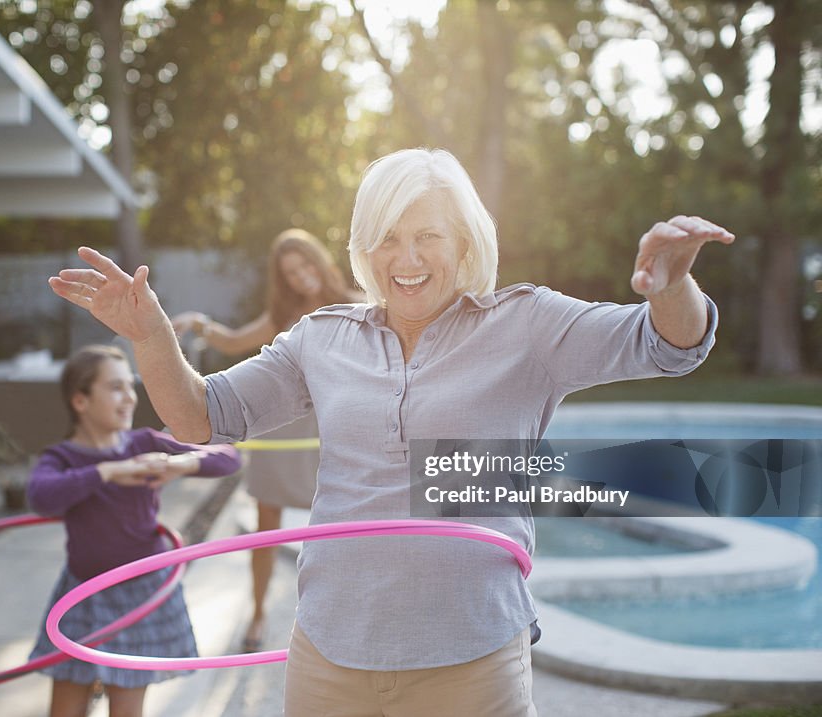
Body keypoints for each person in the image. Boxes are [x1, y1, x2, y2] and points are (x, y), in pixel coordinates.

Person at [47, 148, 733, 716]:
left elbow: (665, 345)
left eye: (428, 234)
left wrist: (671, 289)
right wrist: (152, 335)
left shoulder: (528, 325)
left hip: (472, 659)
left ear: (464, 240)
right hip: (330, 658)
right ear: (364, 247)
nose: (407, 256)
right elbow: (201, 416)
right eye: (389, 236)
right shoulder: (320, 339)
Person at [171, 228, 360, 652]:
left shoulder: (357, 304)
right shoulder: (284, 316)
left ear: (319, 260)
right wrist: (198, 325)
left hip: (329, 431)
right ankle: (257, 613)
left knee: (340, 525)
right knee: (266, 524)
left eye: (305, 265)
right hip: (282, 430)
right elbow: (235, 340)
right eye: (290, 273)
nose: (300, 277)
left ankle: (341, 617)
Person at [26, 344, 240, 717]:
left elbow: (227, 456)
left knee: (126, 709)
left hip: (141, 592)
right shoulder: (63, 459)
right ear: (80, 401)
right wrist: (107, 472)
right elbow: (41, 497)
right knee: (64, 708)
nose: (129, 397)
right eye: (115, 388)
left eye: (130, 386)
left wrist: (182, 465)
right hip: (83, 591)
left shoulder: (144, 443)